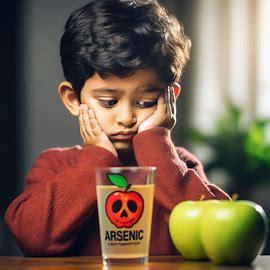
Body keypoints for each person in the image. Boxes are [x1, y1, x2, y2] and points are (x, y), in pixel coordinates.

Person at [4, 0, 230, 256]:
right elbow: (32, 237)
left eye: (145, 102)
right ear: (72, 99)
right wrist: (96, 160)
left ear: (170, 99)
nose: (126, 117)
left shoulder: (181, 165)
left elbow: (219, 236)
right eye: (109, 102)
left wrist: (157, 146)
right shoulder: (54, 166)